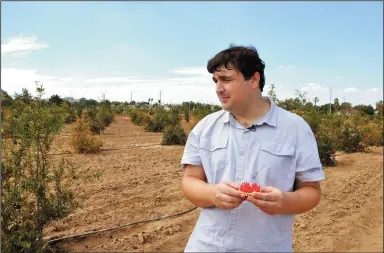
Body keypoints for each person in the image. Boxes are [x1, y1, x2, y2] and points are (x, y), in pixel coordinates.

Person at [180, 45, 325, 252]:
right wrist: (213, 194)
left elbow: (312, 192)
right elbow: (190, 181)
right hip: (207, 246)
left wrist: (284, 201)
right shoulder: (205, 128)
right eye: (216, 81)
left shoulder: (295, 128)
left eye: (226, 79)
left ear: (254, 80)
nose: (218, 88)